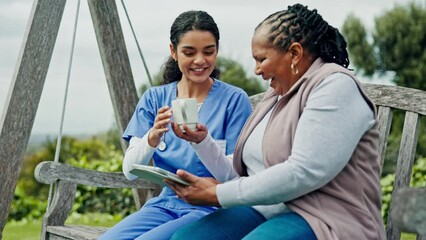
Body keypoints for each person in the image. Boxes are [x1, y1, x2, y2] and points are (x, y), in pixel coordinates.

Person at [166, 4, 386, 240]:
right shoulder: (276, 95)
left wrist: (218, 194)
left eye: (261, 59)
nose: (256, 70)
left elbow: (304, 172)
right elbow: (249, 172)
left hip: (327, 218)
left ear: (294, 53)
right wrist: (202, 143)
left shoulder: (335, 86)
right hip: (268, 209)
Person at [98, 10, 252, 240]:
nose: (200, 60)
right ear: (173, 51)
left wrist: (202, 142)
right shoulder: (154, 99)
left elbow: (234, 176)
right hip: (165, 204)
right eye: (189, 52)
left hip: (210, 207)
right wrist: (152, 137)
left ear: (216, 51)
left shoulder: (234, 100)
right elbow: (129, 171)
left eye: (208, 52)